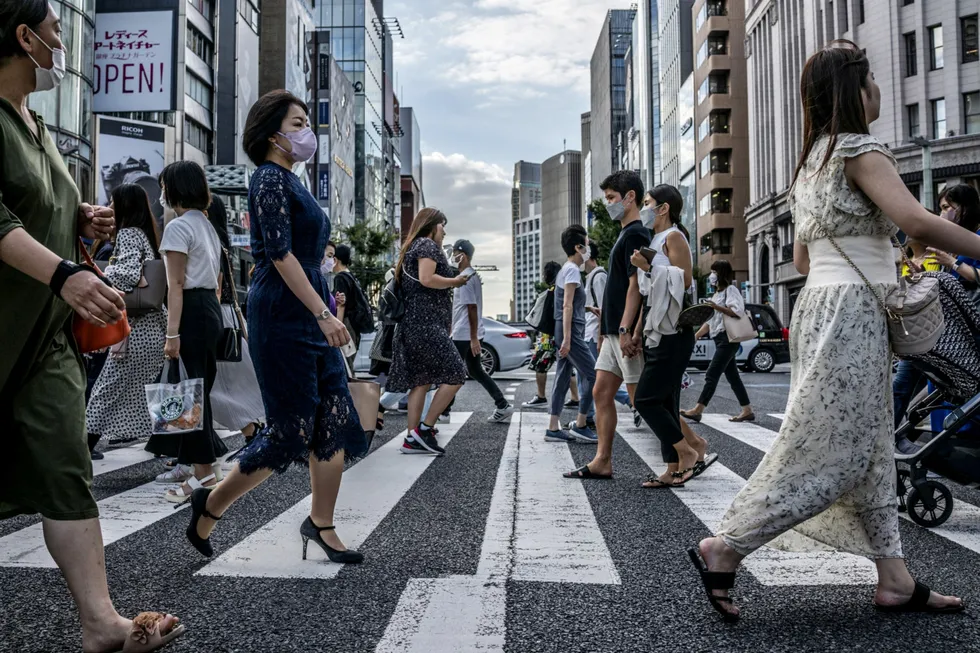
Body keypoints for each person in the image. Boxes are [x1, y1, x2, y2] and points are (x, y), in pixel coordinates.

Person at [691, 40, 972, 621]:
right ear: (854, 89)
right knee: (831, 446)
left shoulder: (813, 160)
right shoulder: (863, 149)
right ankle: (727, 545)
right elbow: (917, 221)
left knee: (869, 444)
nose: (877, 89)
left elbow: (799, 261)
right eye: (871, 78)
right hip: (852, 313)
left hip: (820, 305)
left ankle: (894, 579)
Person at [0, 2, 184, 650]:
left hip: (45, 338)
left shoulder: (37, 124)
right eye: (54, 30)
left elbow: (36, 203)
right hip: (10, 327)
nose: (62, 40)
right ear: (24, 37)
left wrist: (79, 218)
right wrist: (63, 275)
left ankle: (100, 621)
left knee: (68, 461)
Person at [184, 89, 368, 564]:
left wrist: (328, 302)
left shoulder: (295, 181)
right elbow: (282, 254)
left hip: (308, 304)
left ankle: (321, 523)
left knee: (334, 417)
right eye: (298, 123)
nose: (307, 132)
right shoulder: (269, 179)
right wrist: (324, 313)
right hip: (283, 312)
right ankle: (212, 503)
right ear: (273, 135)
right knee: (290, 429)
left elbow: (307, 260)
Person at [145, 161, 228, 502]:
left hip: (192, 311)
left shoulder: (179, 227)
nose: (161, 192)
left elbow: (175, 284)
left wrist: (171, 333)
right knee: (198, 393)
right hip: (210, 310)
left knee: (189, 396)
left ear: (174, 188)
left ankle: (203, 475)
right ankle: (205, 469)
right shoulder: (205, 224)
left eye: (164, 185)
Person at [564, 170, 649, 479]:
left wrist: (628, 330)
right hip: (612, 330)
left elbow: (635, 285)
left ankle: (691, 447)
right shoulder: (625, 234)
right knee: (601, 392)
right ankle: (602, 460)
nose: (609, 203)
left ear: (630, 198)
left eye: (612, 198)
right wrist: (606, 331)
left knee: (645, 400)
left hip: (622, 331)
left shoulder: (637, 233)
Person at [631, 184, 715, 488]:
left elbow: (685, 279)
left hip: (675, 330)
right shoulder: (654, 239)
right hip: (657, 329)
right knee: (664, 401)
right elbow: (648, 294)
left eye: (647, 203)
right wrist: (638, 331)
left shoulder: (674, 237)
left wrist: (649, 264)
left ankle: (687, 451)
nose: (644, 208)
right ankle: (672, 468)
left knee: (645, 399)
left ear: (663, 208)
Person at [86, 184, 168, 450]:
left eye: (113, 203)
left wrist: (97, 277)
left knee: (106, 389)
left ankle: (83, 445)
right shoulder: (144, 234)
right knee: (154, 388)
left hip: (137, 330)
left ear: (124, 206)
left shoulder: (129, 234)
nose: (109, 208)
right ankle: (176, 446)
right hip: (152, 325)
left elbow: (128, 274)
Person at [387, 208, 468, 454]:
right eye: (443, 226)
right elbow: (427, 279)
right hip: (426, 323)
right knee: (456, 373)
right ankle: (424, 428)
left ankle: (412, 438)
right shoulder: (427, 245)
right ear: (432, 225)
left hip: (413, 324)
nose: (444, 232)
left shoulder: (413, 246)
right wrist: (456, 280)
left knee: (420, 382)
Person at [205, 196, 265, 455]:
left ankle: (252, 431)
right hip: (226, 318)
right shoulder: (222, 245)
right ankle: (250, 431)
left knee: (219, 385)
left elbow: (216, 290)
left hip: (216, 317)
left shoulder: (212, 244)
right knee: (222, 384)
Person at [680, 260, 755, 423]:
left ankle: (698, 410)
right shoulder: (717, 294)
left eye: (714, 271)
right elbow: (710, 322)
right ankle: (747, 410)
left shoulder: (731, 290)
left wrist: (716, 307)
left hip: (728, 339)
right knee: (733, 377)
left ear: (721, 274)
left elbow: (737, 312)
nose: (711, 275)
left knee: (711, 374)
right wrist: (696, 336)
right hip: (719, 338)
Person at [544, 225, 598, 443]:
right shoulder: (573, 270)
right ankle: (582, 423)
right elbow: (566, 306)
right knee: (593, 374)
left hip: (567, 327)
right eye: (586, 243)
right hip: (571, 331)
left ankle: (553, 428)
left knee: (563, 376)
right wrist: (567, 339)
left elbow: (568, 303)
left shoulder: (566, 269)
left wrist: (588, 308)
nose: (589, 247)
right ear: (577, 247)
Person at [450, 239, 514, 422]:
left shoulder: (466, 278)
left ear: (463, 255)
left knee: (451, 372)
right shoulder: (469, 276)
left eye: (455, 253)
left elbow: (472, 308)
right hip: (465, 332)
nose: (453, 256)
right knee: (476, 370)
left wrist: (473, 338)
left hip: (463, 334)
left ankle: (444, 410)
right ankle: (503, 405)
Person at [572, 241, 633, 431]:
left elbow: (604, 309)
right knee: (588, 377)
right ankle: (588, 415)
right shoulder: (590, 277)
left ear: (587, 254)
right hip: (589, 333)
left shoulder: (599, 276)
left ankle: (631, 402)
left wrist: (600, 337)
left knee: (596, 377)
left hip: (594, 333)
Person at [523, 261, 579, 407]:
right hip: (564, 334)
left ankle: (541, 397)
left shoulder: (552, 291)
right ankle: (575, 398)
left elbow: (547, 317)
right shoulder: (564, 289)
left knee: (539, 365)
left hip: (549, 336)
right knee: (569, 367)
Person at [926, 184, 980, 285]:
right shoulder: (955, 239)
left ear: (965, 207)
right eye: (941, 209)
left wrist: (952, 263)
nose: (942, 214)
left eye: (946, 207)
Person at [332, 243, 370, 368]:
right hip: (355, 326)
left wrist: (337, 326)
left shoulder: (340, 278)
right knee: (348, 364)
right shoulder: (351, 276)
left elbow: (341, 305)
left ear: (335, 260)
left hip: (346, 324)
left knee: (343, 365)